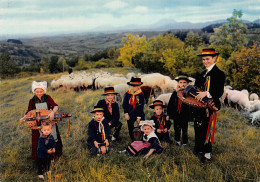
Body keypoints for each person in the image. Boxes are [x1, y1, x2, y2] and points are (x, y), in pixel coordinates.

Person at [193, 48, 225, 164]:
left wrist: (206, 93)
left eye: (207, 59)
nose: (205, 61)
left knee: (208, 128)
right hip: (199, 105)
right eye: (203, 59)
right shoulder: (201, 74)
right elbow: (196, 87)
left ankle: (207, 154)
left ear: (214, 58)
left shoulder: (219, 74)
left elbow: (218, 91)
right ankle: (199, 148)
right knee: (198, 125)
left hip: (210, 105)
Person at [20, 81, 62, 160]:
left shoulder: (47, 98)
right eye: (37, 91)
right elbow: (29, 113)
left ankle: (53, 156)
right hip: (38, 124)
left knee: (52, 138)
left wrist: (52, 112)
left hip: (49, 122)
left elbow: (55, 106)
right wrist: (23, 118)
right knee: (39, 140)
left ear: (44, 91)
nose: (39, 93)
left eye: (41, 91)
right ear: (34, 91)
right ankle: (40, 157)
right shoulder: (32, 100)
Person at [167, 73, 192, 146]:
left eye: (184, 82)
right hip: (176, 113)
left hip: (185, 114)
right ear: (178, 83)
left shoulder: (189, 93)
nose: (182, 84)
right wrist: (169, 113)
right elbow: (171, 103)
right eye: (181, 82)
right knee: (176, 128)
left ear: (187, 83)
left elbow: (191, 103)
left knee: (185, 128)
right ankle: (177, 140)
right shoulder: (175, 92)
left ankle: (184, 142)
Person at [122, 77, 145, 141]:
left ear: (139, 86)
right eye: (132, 86)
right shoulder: (128, 93)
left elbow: (141, 106)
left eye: (135, 86)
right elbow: (125, 104)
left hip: (139, 113)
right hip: (130, 113)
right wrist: (126, 113)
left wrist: (139, 116)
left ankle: (142, 138)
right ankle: (133, 139)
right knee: (130, 127)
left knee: (142, 126)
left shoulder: (141, 94)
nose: (133, 87)